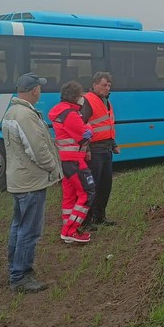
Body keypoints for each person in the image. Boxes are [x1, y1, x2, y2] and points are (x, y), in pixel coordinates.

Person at [3, 72, 62, 293]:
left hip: (19, 180)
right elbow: (38, 151)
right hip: (31, 182)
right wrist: (54, 169)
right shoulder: (26, 115)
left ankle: (14, 269)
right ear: (35, 90)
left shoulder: (12, 111)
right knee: (29, 230)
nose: (41, 91)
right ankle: (20, 276)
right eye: (40, 88)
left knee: (18, 226)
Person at [49, 80, 96, 245]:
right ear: (75, 97)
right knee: (87, 192)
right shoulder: (70, 114)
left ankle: (67, 226)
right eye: (80, 95)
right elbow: (85, 136)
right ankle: (70, 230)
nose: (82, 98)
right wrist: (89, 128)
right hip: (75, 161)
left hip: (67, 161)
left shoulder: (61, 112)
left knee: (69, 196)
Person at [81, 72, 121, 226]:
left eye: (109, 85)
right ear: (95, 84)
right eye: (104, 85)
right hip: (94, 150)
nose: (107, 88)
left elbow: (107, 126)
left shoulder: (106, 101)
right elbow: (81, 126)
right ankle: (87, 220)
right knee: (92, 187)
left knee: (105, 186)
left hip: (106, 150)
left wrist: (113, 144)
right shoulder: (87, 101)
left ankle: (99, 217)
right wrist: (86, 148)